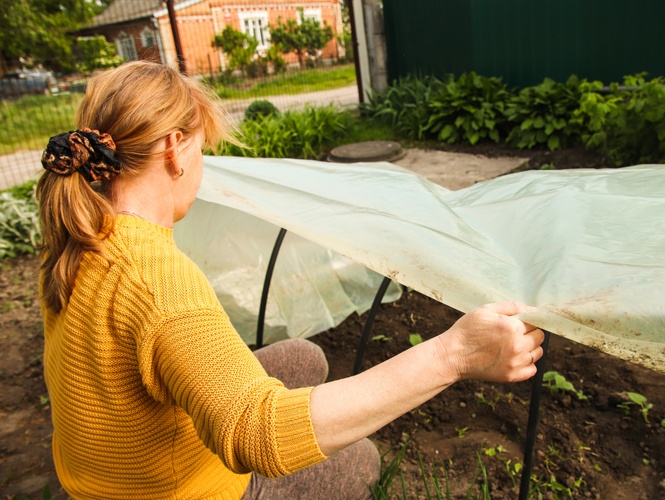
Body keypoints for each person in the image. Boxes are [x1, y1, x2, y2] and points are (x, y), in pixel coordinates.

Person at [37, 61, 545, 500]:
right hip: (171, 490)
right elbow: (260, 436)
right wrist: (453, 354)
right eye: (202, 147)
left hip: (106, 475)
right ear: (174, 148)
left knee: (303, 357)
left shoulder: (78, 237)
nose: (203, 166)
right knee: (360, 458)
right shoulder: (154, 279)